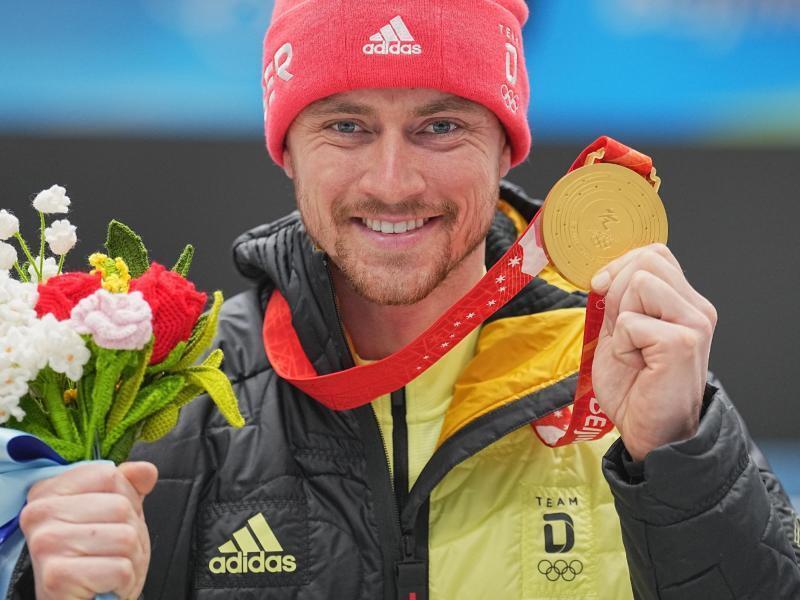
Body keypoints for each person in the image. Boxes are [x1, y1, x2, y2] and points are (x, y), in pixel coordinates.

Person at [8, 1, 800, 598]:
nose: (393, 183)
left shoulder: (625, 378)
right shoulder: (175, 402)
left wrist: (685, 457)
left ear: (505, 146)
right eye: (348, 127)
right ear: (288, 151)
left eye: (441, 126)